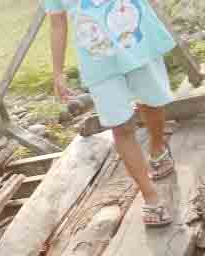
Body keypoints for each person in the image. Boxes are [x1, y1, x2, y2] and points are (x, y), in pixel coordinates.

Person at [46, 0, 177, 226]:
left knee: (153, 104)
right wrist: (57, 72)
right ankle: (150, 196)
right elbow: (57, 22)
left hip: (138, 42)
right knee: (121, 126)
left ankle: (157, 148)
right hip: (97, 61)